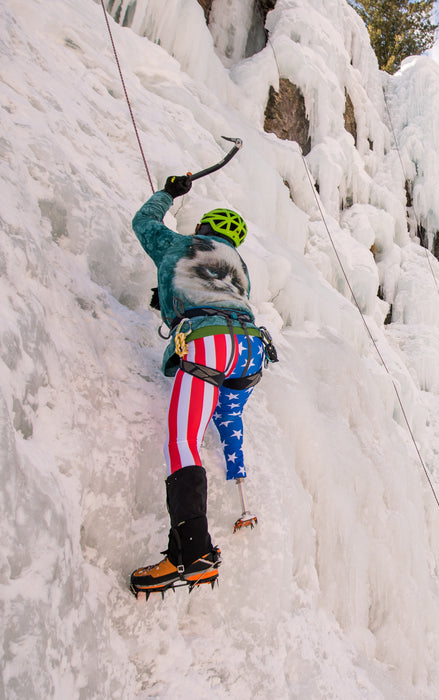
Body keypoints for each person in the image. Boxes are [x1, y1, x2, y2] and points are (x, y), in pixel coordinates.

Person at [128, 174, 271, 598]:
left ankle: (196, 553)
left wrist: (169, 192)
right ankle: (183, 550)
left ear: (201, 228)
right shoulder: (239, 268)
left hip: (208, 343)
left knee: (182, 440)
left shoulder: (178, 246)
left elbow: (143, 222)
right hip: (251, 348)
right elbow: (213, 291)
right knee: (227, 413)